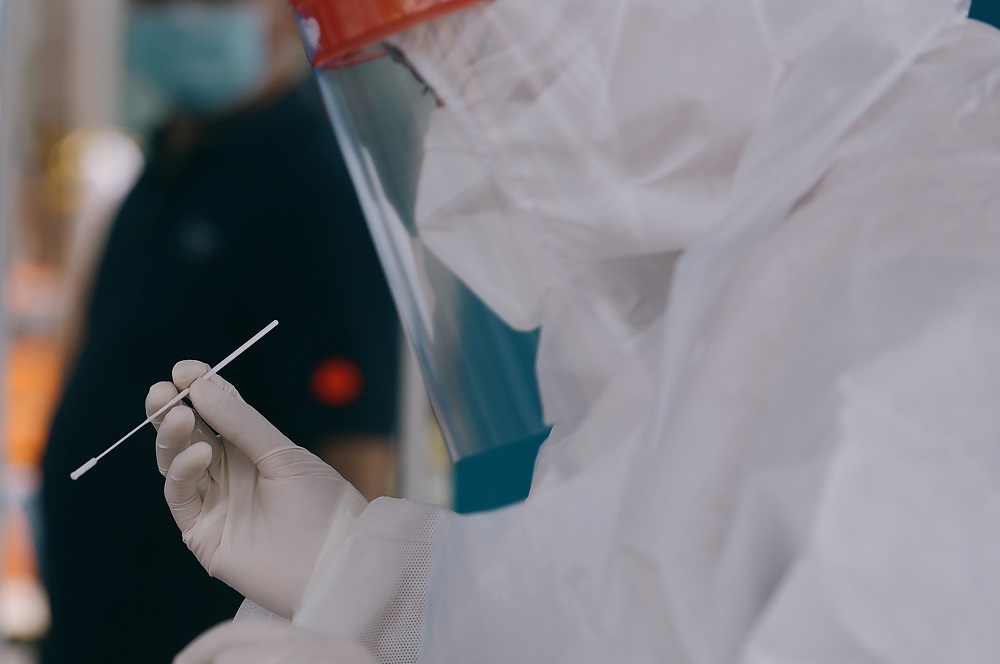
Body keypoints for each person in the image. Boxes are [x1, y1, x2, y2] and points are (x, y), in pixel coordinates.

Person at [147, 0, 1000, 661]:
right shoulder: (715, 278)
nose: (446, 176)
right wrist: (367, 574)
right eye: (426, 88)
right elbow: (620, 622)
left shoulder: (945, 287)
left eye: (478, 72)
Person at [39, 0, 399, 661]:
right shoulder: (163, 167)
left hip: (205, 631)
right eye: (154, 3)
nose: (177, 19)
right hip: (95, 627)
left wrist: (336, 633)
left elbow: (360, 450)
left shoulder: (314, 183)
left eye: (209, 1)